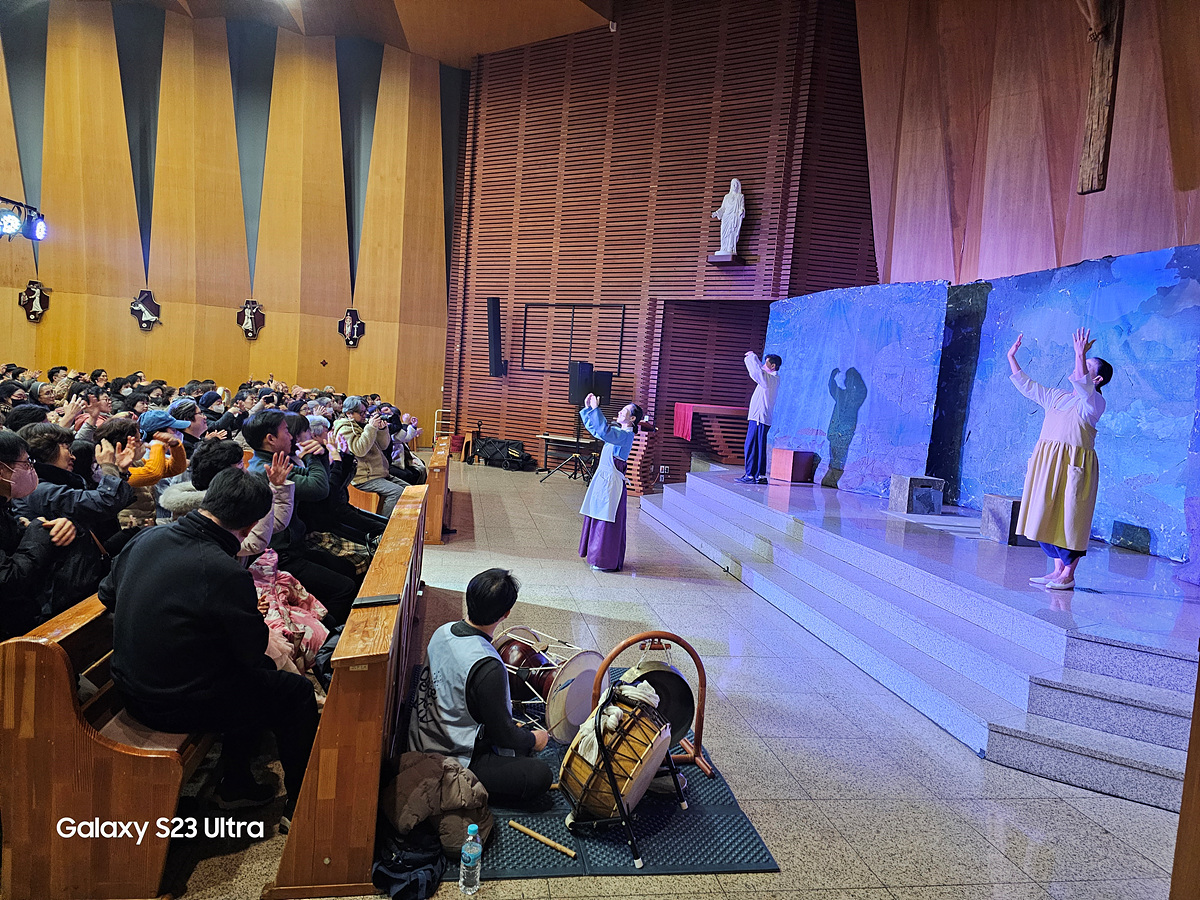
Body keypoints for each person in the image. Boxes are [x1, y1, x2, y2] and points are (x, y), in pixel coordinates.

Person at [100, 468, 318, 828]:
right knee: (294, 692)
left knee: (249, 676)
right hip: (170, 703)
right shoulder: (223, 570)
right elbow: (251, 651)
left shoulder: (148, 537)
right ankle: (303, 808)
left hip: (130, 684)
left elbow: (107, 594)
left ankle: (237, 782)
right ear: (251, 525)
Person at [407, 568, 552, 803]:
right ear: (506, 613)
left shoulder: (443, 631)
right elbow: (505, 736)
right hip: (451, 759)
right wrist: (535, 739)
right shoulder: (489, 666)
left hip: (420, 737)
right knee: (538, 775)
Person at [1008, 327, 1113, 590]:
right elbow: (1029, 387)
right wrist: (1012, 358)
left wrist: (1080, 354)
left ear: (1098, 379)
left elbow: (1084, 387)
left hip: (1074, 466)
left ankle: (1068, 574)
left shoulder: (1094, 403)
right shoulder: (1058, 397)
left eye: (1087, 365)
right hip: (1048, 464)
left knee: (1070, 517)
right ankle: (1056, 571)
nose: (1080, 365)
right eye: (1081, 361)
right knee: (1044, 513)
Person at [0, 430, 77, 638]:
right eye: (26, 463)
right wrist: (38, 531)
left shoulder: (5, 506)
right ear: (1, 470)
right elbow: (8, 580)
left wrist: (56, 527)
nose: (31, 468)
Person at [578, 393, 643, 572]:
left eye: (625, 411)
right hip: (602, 480)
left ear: (632, 418)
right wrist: (589, 409)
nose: (620, 412)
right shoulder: (618, 433)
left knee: (605, 521)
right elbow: (596, 431)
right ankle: (595, 555)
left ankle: (604, 560)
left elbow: (604, 431)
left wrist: (596, 409)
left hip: (611, 484)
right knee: (596, 515)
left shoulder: (625, 436)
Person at [332, 396, 408, 517]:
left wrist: (382, 429)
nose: (365, 415)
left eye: (365, 411)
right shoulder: (344, 429)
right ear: (349, 413)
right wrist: (371, 428)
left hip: (379, 473)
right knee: (397, 492)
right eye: (361, 413)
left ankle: (404, 521)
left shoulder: (363, 424)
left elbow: (383, 445)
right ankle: (385, 524)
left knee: (410, 490)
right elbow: (359, 450)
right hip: (363, 478)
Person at [737, 351, 781, 484]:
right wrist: (754, 360)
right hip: (759, 418)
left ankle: (752, 475)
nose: (763, 365)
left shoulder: (770, 379)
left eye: (766, 363)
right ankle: (758, 475)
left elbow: (757, 372)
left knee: (752, 446)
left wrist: (752, 358)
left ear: (773, 366)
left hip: (759, 418)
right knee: (757, 446)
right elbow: (758, 371)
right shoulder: (769, 378)